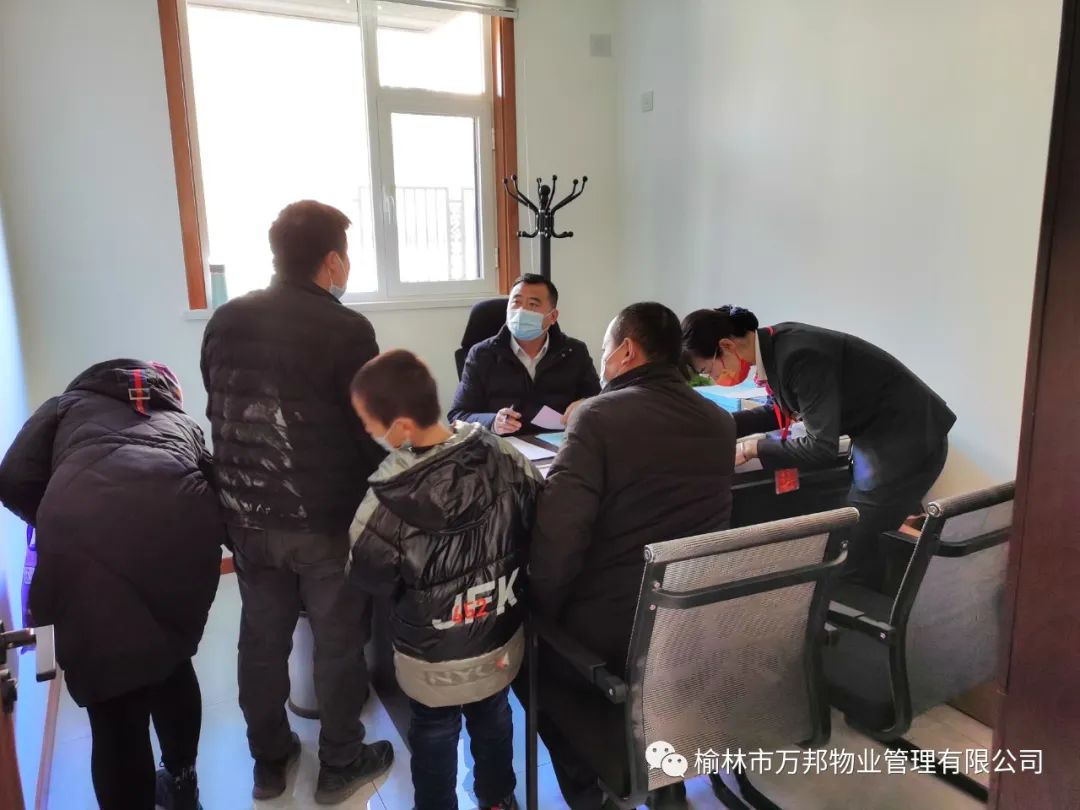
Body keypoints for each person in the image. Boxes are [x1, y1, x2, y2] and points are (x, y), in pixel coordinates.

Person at [200, 200, 393, 803]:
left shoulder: (226, 319)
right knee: (338, 641)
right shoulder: (347, 328)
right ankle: (341, 761)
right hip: (323, 520)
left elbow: (217, 405)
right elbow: (368, 427)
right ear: (332, 261)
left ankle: (269, 759)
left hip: (246, 518)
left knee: (262, 641)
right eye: (347, 258)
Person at [529, 303, 736, 810]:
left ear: (626, 351)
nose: (603, 359)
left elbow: (560, 538)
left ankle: (591, 796)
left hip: (613, 628)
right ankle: (666, 785)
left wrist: (539, 613)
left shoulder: (598, 417)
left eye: (606, 348)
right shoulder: (718, 420)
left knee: (533, 668)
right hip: (691, 619)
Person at [0, 359, 223, 810]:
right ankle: (182, 787)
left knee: (115, 707)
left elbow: (12, 479)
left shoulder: (65, 405)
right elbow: (212, 482)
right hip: (177, 543)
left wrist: (60, 513)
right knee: (171, 662)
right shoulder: (180, 420)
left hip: (81, 544)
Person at [348, 350, 541, 810]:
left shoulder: (387, 499)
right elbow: (539, 509)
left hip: (431, 658)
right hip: (497, 638)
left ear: (400, 427)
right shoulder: (505, 456)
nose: (370, 434)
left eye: (370, 425)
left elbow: (368, 573)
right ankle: (498, 799)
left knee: (434, 733)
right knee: (494, 719)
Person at [681, 306, 956, 587]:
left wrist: (752, 449)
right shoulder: (775, 346)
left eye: (707, 370)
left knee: (847, 551)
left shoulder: (798, 355)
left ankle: (868, 607)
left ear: (726, 346)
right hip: (886, 438)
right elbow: (778, 410)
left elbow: (820, 447)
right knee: (856, 538)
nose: (713, 379)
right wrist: (718, 426)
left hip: (907, 441)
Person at [448, 274, 600, 435]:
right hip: (503, 445)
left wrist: (586, 404)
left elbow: (601, 402)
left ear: (553, 316)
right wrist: (493, 422)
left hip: (559, 444)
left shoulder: (574, 352)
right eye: (516, 302)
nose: (521, 311)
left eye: (533, 304)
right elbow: (458, 416)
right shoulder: (482, 354)